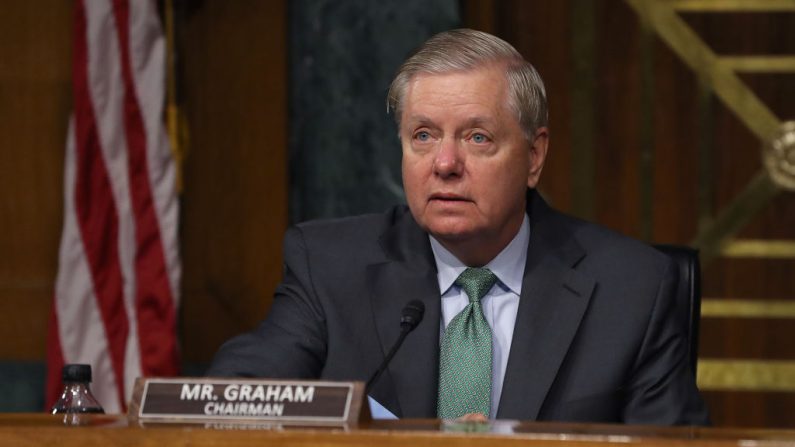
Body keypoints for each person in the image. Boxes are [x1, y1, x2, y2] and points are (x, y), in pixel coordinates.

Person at [208, 28, 709, 425]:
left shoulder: (633, 288)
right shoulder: (330, 265)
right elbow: (234, 396)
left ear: (534, 156)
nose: (445, 163)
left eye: (477, 137)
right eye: (423, 135)